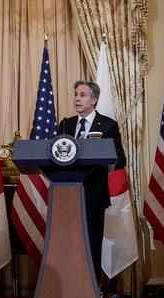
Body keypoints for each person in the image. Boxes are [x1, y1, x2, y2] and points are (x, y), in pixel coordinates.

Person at [57, 80, 127, 286]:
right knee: (69, 244)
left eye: (83, 95)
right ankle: (69, 290)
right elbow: (55, 155)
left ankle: (91, 291)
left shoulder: (107, 125)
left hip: (94, 194)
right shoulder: (66, 125)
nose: (77, 98)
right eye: (75, 94)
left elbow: (121, 159)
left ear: (94, 100)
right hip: (68, 194)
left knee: (91, 244)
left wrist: (102, 158)